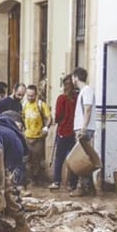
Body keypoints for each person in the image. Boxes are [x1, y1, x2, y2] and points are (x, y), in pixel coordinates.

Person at [70, 67, 97, 197]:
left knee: (81, 159)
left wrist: (83, 128)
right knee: (85, 158)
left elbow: (87, 109)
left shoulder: (86, 91)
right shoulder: (84, 91)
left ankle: (81, 187)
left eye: (73, 77)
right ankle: (89, 187)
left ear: (75, 77)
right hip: (82, 128)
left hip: (83, 129)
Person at [48, 75, 79, 190]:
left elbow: (58, 115)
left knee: (59, 158)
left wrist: (57, 120)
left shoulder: (61, 98)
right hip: (74, 132)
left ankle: (56, 182)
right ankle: (73, 184)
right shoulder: (77, 98)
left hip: (63, 131)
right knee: (73, 158)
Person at [22, 85, 52, 186]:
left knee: (37, 159)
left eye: (32, 96)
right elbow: (21, 117)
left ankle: (36, 178)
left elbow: (49, 117)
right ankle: (29, 179)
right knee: (27, 159)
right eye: (28, 96)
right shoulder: (24, 104)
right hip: (27, 136)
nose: (30, 98)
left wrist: (46, 127)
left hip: (39, 137)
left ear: (36, 95)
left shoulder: (41, 105)